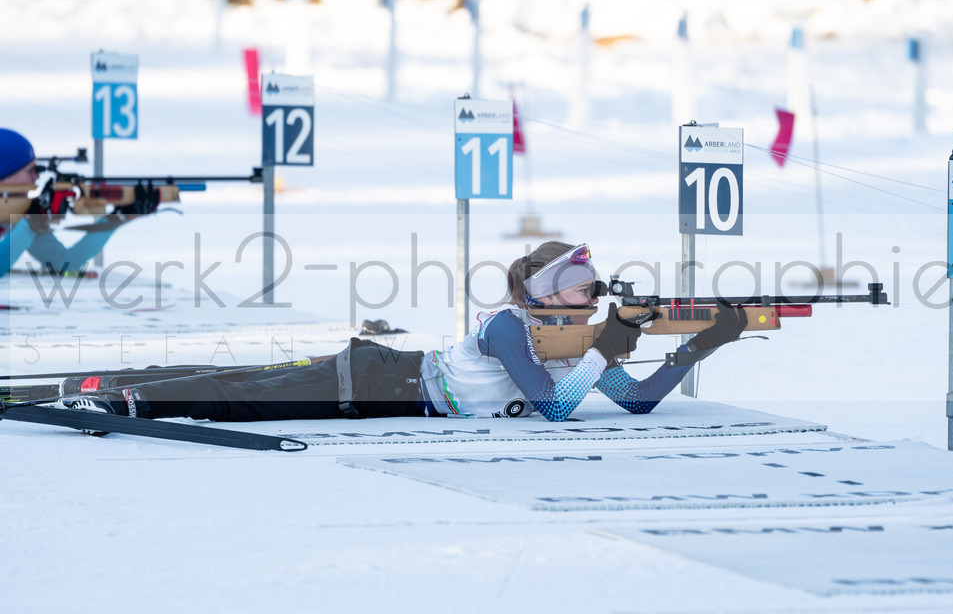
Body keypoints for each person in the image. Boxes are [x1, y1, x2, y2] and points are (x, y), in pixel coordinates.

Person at [58, 242, 747, 423]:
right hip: (379, 380)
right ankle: (124, 395)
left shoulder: (574, 340)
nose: (597, 297)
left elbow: (637, 400)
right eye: (587, 288)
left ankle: (122, 388)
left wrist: (704, 341)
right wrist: (609, 343)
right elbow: (557, 406)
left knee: (249, 385)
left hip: (388, 386)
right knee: (246, 390)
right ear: (547, 292)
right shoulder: (512, 325)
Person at [0, 128, 120, 277]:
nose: (36, 177)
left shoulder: (16, 211)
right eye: (30, 171)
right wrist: (34, 221)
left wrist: (117, 217)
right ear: (5, 174)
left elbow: (63, 263)